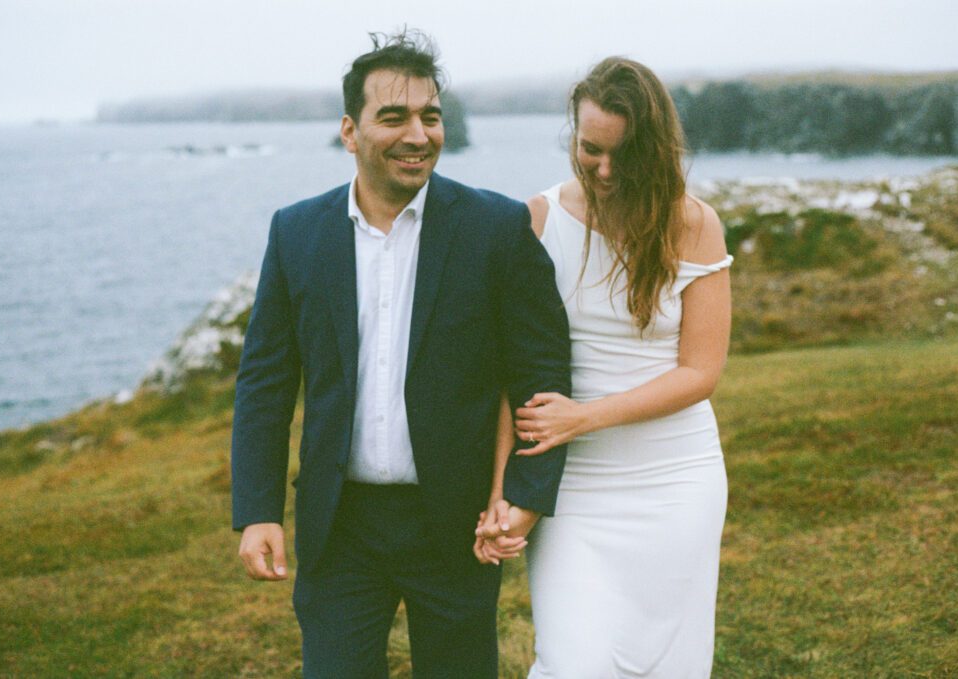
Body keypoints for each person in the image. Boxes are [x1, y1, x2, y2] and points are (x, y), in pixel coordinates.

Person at [230, 30, 571, 678]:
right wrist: (257, 512)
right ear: (350, 131)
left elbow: (541, 374)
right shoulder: (296, 232)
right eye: (394, 117)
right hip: (340, 527)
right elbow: (266, 383)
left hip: (456, 522)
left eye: (431, 116)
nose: (419, 134)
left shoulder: (496, 230)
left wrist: (523, 493)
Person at [476, 57, 732, 677]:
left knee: (670, 663)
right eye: (591, 149)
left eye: (626, 155)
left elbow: (700, 372)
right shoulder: (537, 221)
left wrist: (583, 417)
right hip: (576, 490)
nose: (606, 170)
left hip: (677, 481)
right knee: (574, 661)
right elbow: (508, 376)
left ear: (656, 149)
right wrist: (499, 493)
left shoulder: (693, 225)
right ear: (573, 132)